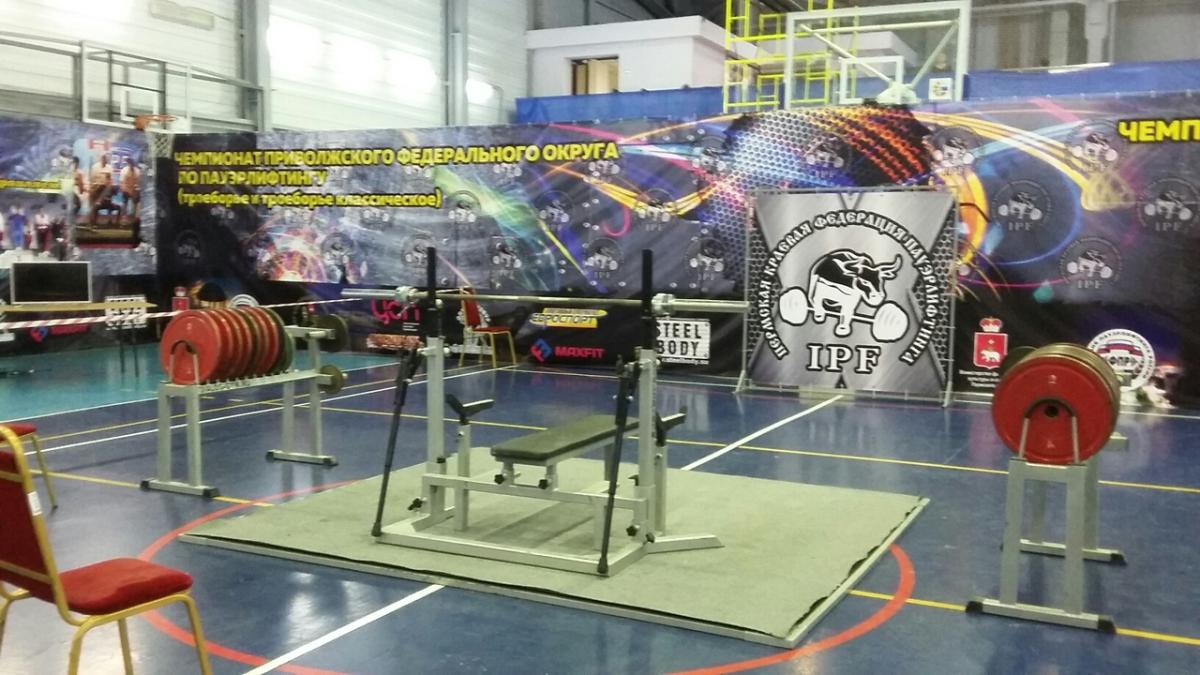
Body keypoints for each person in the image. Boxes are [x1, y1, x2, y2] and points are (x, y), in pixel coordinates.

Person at [88, 153, 114, 223]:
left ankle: (99, 201)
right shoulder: (95, 167)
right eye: (103, 158)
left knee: (109, 188)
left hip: (105, 188)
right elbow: (91, 180)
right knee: (92, 197)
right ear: (101, 159)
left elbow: (110, 180)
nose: (105, 160)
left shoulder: (109, 168)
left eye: (106, 158)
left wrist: (108, 185)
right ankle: (92, 220)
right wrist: (93, 188)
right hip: (96, 188)